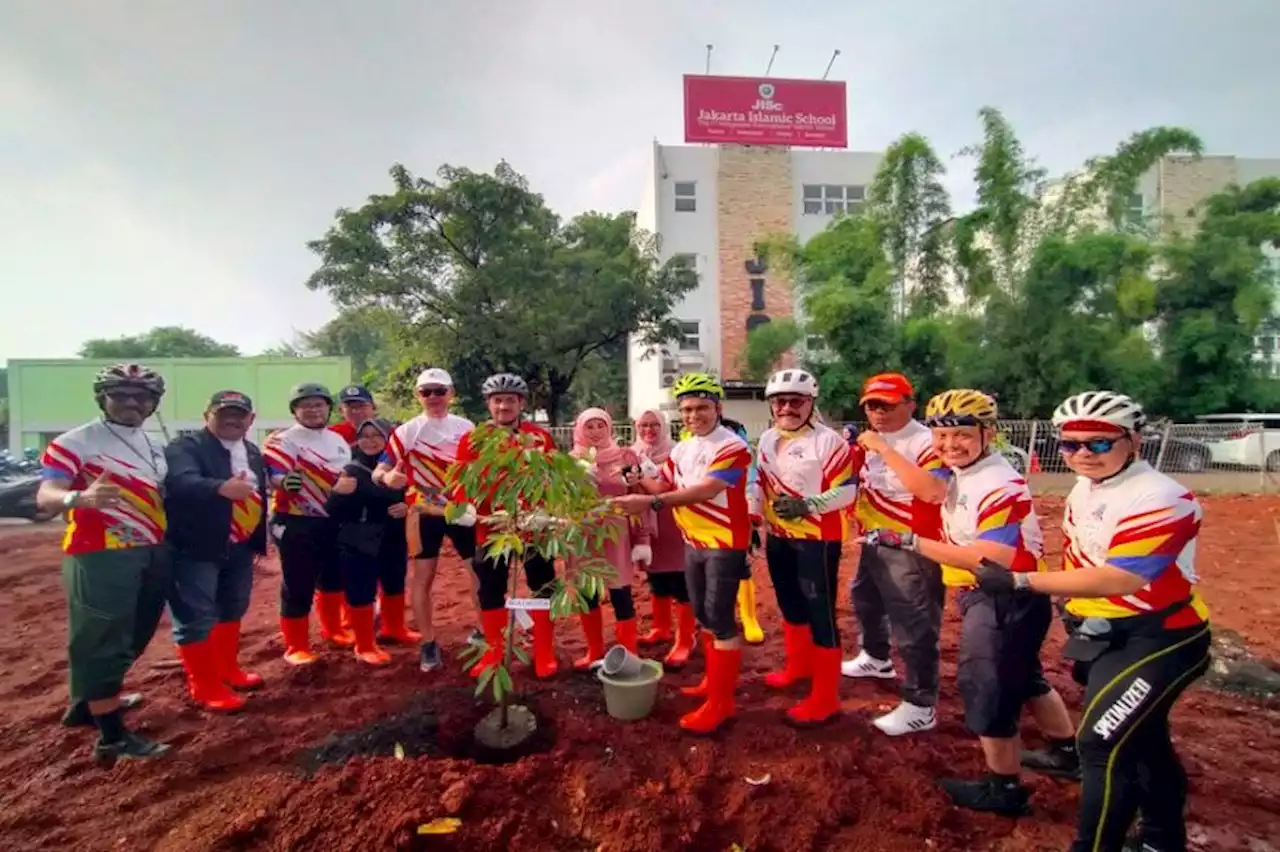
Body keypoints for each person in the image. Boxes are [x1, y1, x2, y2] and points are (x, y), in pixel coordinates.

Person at [973, 391, 1211, 851]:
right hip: (1108, 635)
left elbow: (1121, 576)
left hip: (1162, 636)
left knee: (1100, 745)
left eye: (1099, 444)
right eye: (1070, 444)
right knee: (1142, 739)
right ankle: (1163, 839)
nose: (1083, 454)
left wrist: (1023, 582)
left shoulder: (1163, 497)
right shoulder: (1087, 486)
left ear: (1134, 440)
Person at [864, 389, 1075, 816]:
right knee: (1026, 677)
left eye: (961, 435)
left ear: (989, 433)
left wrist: (909, 540)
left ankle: (1004, 788)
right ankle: (1066, 752)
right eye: (941, 437)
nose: (949, 445)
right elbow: (932, 492)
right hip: (1013, 598)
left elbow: (989, 557)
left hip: (1000, 596)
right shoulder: (971, 471)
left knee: (987, 687)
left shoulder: (996, 482)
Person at [36, 363, 172, 763]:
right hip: (101, 552)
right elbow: (46, 494)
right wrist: (77, 499)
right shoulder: (76, 441)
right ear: (103, 398)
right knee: (102, 636)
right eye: (120, 395)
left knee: (139, 628)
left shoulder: (151, 443)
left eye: (141, 396)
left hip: (149, 548)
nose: (131, 403)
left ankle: (89, 701)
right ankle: (111, 738)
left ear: (153, 403)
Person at [615, 373, 753, 735]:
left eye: (702, 408)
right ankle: (712, 682)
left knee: (721, 619)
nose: (694, 415)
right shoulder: (684, 447)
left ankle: (722, 704)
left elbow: (707, 490)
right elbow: (664, 484)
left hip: (724, 542)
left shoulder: (733, 446)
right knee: (705, 614)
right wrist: (633, 472)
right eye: (688, 409)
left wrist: (650, 500)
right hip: (693, 540)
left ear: (718, 408)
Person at [751, 369, 861, 726]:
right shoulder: (767, 439)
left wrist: (807, 505)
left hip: (818, 539)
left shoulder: (830, 442)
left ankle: (826, 696)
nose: (787, 407)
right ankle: (798, 668)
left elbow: (848, 490)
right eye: (780, 401)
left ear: (811, 402)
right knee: (789, 604)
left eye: (795, 401)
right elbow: (760, 484)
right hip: (778, 536)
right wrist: (754, 516)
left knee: (820, 613)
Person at [842, 372, 948, 737]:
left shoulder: (927, 441)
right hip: (874, 539)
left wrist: (883, 449)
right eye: (871, 405)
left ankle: (921, 703)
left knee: (914, 623)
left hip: (913, 544)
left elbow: (932, 491)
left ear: (910, 405)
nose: (878, 412)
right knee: (865, 599)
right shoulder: (871, 440)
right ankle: (876, 657)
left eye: (887, 404)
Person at [164, 390, 270, 713]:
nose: (232, 420)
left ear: (251, 420)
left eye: (240, 414)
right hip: (197, 548)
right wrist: (220, 488)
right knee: (195, 616)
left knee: (232, 607)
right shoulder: (185, 448)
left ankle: (227, 670)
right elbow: (181, 482)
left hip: (238, 547)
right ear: (206, 416)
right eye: (223, 413)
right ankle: (204, 684)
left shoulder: (252, 451)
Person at [451, 373, 560, 679]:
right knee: (490, 590)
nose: (503, 406)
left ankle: (543, 651)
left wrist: (546, 510)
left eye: (509, 400)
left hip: (533, 527)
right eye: (497, 400)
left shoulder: (539, 438)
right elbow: (460, 479)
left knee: (543, 586)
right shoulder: (473, 440)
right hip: (492, 528)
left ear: (521, 404)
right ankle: (495, 653)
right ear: (488, 404)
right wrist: (464, 506)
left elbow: (552, 478)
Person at [376, 368, 482, 671]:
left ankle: (485, 632)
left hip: (461, 510)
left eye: (439, 390)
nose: (433, 397)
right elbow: (379, 471)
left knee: (478, 573)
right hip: (423, 512)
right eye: (426, 392)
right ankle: (428, 642)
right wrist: (388, 478)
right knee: (423, 577)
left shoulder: (467, 427)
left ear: (451, 393)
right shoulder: (408, 430)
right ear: (417, 395)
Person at [262, 383, 352, 664]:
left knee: (333, 577)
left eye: (319, 404)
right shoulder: (282, 439)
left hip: (332, 520)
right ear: (295, 411)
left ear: (329, 408)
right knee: (297, 582)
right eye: (306, 405)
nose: (313, 410)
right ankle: (295, 646)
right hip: (295, 519)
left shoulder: (336, 439)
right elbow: (275, 473)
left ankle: (333, 630)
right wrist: (283, 482)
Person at [568, 408, 651, 666]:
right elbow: (560, 502)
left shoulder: (626, 457)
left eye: (600, 426)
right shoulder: (569, 461)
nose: (595, 432)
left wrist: (643, 539)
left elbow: (639, 498)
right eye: (589, 426)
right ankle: (594, 650)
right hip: (582, 532)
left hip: (617, 531)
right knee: (587, 594)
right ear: (580, 429)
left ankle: (629, 653)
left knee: (620, 592)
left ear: (609, 428)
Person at [326, 419, 410, 667]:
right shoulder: (350, 468)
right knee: (361, 590)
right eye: (365, 436)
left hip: (393, 536)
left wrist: (408, 506)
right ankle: (364, 644)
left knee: (394, 581)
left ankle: (394, 629)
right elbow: (332, 509)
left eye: (377, 436)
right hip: (358, 540)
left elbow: (416, 494)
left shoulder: (400, 465)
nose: (371, 441)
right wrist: (338, 493)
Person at [630, 409, 698, 669]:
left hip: (674, 522)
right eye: (644, 425)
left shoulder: (678, 452)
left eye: (654, 425)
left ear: (663, 426)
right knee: (656, 576)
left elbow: (677, 485)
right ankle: (661, 628)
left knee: (681, 580)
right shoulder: (632, 454)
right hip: (648, 525)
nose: (649, 430)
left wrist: (646, 478)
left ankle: (685, 637)